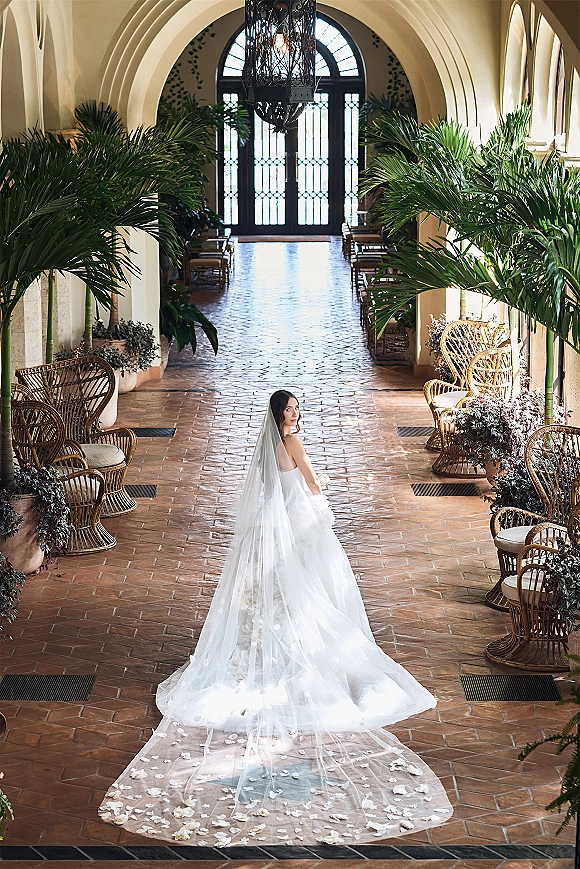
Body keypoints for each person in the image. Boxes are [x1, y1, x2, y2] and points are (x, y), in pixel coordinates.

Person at [100, 391, 452, 845]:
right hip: (301, 524)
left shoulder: (268, 446)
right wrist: (320, 496)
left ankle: (268, 645)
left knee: (280, 595)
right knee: (318, 591)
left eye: (295, 409)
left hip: (278, 526)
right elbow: (311, 486)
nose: (294, 415)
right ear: (280, 416)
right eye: (289, 410)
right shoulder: (292, 443)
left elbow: (271, 490)